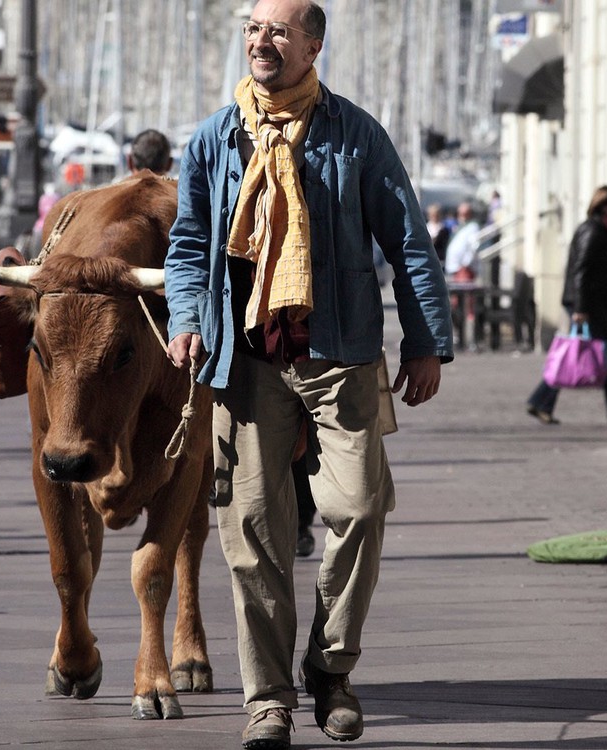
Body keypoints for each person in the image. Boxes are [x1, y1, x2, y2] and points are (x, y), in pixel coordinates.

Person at [163, 2, 452, 747]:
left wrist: (427, 341)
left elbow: (408, 241)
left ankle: (331, 667)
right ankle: (268, 700)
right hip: (248, 361)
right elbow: (191, 239)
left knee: (357, 509)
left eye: (280, 31)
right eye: (254, 29)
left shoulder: (356, 135)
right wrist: (188, 318)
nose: (263, 41)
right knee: (252, 532)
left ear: (313, 46)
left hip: (342, 356)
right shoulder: (216, 137)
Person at [525, 185, 607, 425]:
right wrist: (580, 308)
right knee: (606, 355)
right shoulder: (594, 230)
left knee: (581, 353)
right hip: (587, 304)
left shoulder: (601, 229)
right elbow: (582, 271)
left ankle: (541, 400)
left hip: (590, 302)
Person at [443, 201, 481, 281]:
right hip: (453, 268)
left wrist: (466, 265)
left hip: (463, 269)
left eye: (464, 214)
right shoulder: (460, 226)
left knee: (464, 292)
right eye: (460, 214)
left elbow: (474, 247)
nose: (461, 216)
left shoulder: (473, 227)